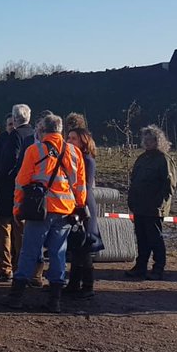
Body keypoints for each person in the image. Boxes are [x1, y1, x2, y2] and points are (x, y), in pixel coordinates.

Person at [4, 114, 86, 313]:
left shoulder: (35, 150)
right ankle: (54, 300)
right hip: (65, 211)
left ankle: (16, 297)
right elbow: (80, 184)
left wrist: (17, 209)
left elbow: (21, 182)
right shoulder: (74, 152)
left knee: (29, 252)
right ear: (60, 130)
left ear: (42, 130)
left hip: (39, 210)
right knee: (58, 253)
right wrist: (80, 206)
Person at [0, 105, 33, 282]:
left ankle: (5, 266)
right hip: (27, 188)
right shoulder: (32, 135)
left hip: (9, 189)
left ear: (14, 119)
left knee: (2, 227)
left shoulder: (14, 136)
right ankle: (20, 267)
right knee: (20, 229)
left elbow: (9, 162)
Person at [126, 125, 176, 281]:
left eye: (151, 140)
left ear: (158, 141)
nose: (147, 142)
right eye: (145, 139)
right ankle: (140, 267)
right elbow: (134, 180)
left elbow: (169, 185)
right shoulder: (142, 158)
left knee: (155, 239)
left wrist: (159, 204)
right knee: (141, 238)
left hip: (154, 208)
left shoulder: (164, 159)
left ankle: (158, 269)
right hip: (140, 206)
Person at [65, 127, 103, 298]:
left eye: (73, 138)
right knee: (76, 245)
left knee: (85, 246)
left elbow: (84, 185)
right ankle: (73, 284)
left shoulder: (87, 160)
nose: (69, 141)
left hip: (84, 205)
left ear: (82, 141)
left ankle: (88, 286)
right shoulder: (76, 158)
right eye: (69, 137)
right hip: (77, 204)